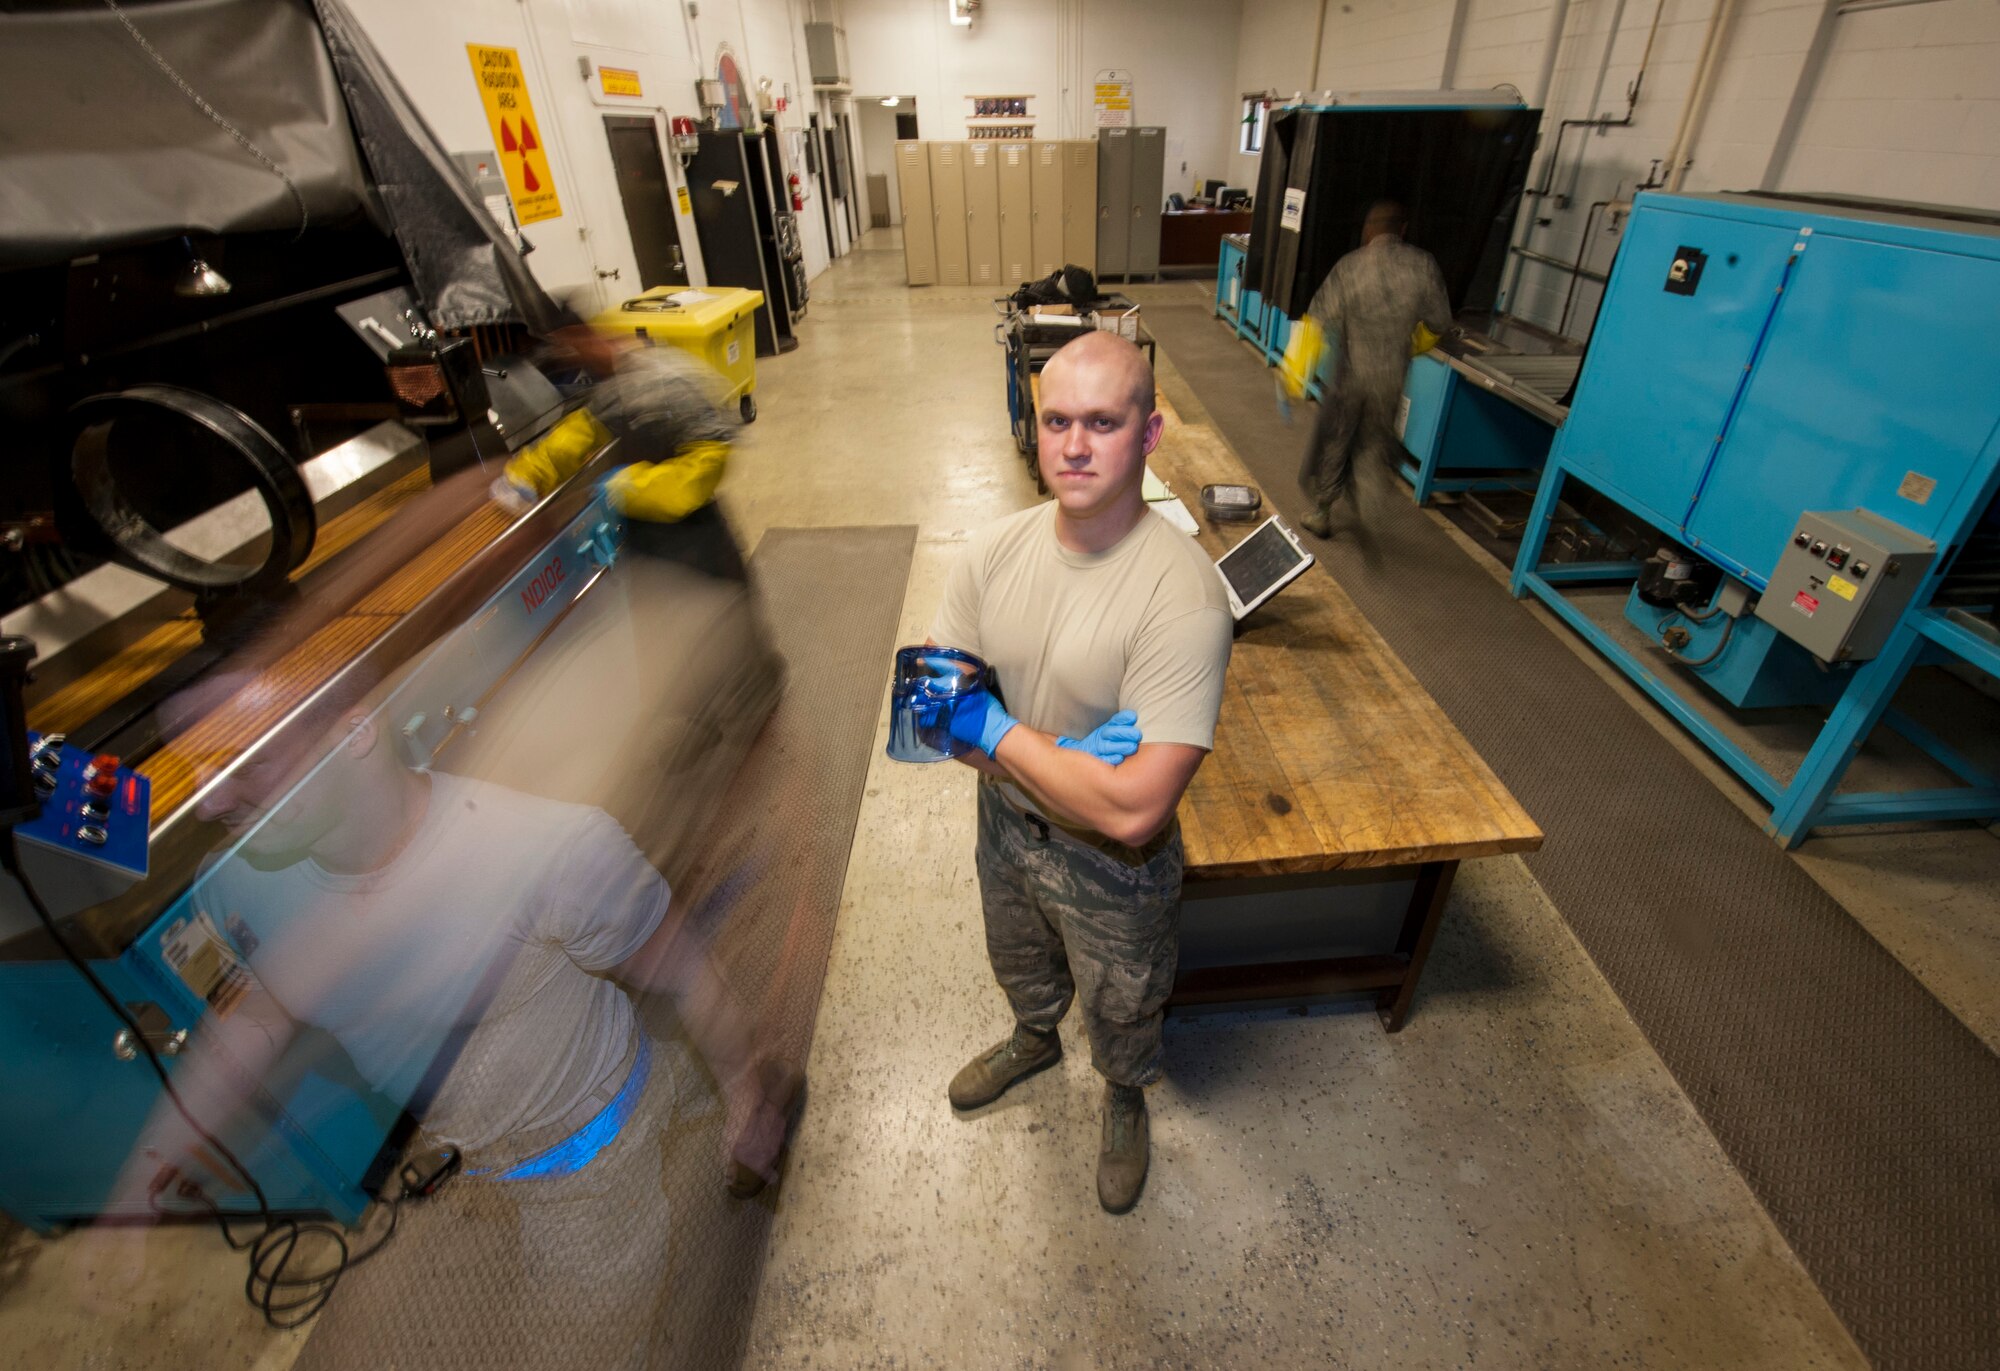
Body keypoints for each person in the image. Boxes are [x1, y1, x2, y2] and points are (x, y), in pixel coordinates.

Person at [107, 662, 800, 1359]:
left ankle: (706, 1092)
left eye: (243, 762)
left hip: (591, 1163)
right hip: (484, 1157)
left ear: (353, 731)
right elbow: (257, 1014)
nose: (205, 800)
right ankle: (691, 1086)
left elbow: (683, 970)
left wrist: (744, 1088)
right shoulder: (232, 883)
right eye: (193, 765)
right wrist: (138, 1186)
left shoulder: (546, 850)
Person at [925, 330, 1233, 1214]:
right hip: (1005, 825)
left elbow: (1133, 811)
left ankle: (1124, 1093)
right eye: (1057, 420)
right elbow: (932, 721)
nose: (1074, 445)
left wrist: (996, 728)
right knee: (1018, 953)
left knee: (1123, 995)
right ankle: (1034, 1036)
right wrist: (1056, 756)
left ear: (1150, 433)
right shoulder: (992, 552)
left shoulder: (1183, 597)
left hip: (1113, 866)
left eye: (1103, 422)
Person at [499, 314, 750, 584]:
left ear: (598, 336)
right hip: (644, 539)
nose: (574, 356)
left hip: (698, 540)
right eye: (568, 350)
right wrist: (526, 474)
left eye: (578, 344)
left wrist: (627, 486)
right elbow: (576, 436)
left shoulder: (668, 378)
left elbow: (707, 462)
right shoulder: (611, 389)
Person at [1296, 200, 1455, 538]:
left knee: (1338, 437)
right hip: (1391, 375)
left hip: (1351, 372)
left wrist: (1294, 370)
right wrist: (1412, 345)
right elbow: (1441, 322)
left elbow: (1319, 316)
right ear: (1403, 229)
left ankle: (1323, 511)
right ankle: (1368, 502)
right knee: (1375, 437)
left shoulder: (1351, 266)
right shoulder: (1423, 265)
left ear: (1368, 231)